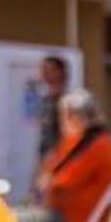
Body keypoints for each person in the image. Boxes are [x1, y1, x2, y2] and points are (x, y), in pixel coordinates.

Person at [33, 90, 111, 222]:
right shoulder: (79, 141)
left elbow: (62, 181)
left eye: (63, 116)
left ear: (76, 116)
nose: (61, 122)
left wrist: (47, 182)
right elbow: (50, 169)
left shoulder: (99, 145)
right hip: (65, 214)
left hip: (76, 219)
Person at [29, 54, 71, 184]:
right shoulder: (45, 101)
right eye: (43, 69)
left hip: (60, 162)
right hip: (45, 158)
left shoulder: (66, 102)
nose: (43, 74)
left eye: (49, 69)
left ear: (60, 73)